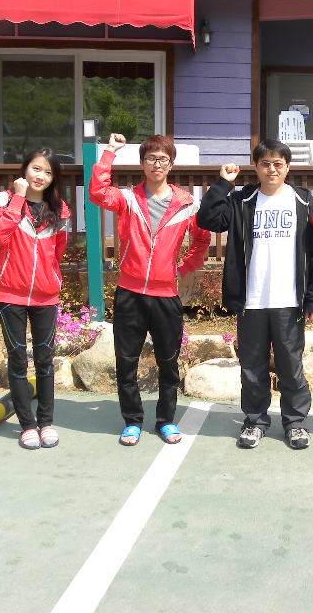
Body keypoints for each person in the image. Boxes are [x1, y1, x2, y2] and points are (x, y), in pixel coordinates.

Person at [197, 138, 313, 451]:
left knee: (291, 367)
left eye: (278, 163)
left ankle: (295, 423)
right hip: (252, 301)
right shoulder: (242, 200)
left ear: (288, 167)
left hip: (289, 301)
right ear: (255, 167)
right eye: (265, 163)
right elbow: (207, 219)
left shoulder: (303, 201)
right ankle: (255, 422)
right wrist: (223, 184)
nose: (272, 169)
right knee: (252, 369)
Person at [89, 133, 211, 447]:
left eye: (163, 159)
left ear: (171, 164)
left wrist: (182, 268)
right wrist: (110, 152)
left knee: (168, 361)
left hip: (166, 295)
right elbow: (98, 192)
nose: (157, 164)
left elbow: (201, 241)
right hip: (129, 292)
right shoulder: (127, 198)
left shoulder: (188, 203)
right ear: (142, 163)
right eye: (151, 159)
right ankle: (132, 421)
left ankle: (166, 420)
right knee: (126, 361)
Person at [0, 148, 70, 450]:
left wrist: (51, 278)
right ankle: (27, 426)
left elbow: (58, 251)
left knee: (45, 360)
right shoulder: (3, 200)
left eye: (48, 172)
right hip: (11, 294)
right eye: (36, 169)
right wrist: (18, 199)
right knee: (18, 360)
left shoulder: (60, 209)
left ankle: (46, 422)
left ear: (53, 178)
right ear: (25, 169)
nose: (41, 176)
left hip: (46, 297)